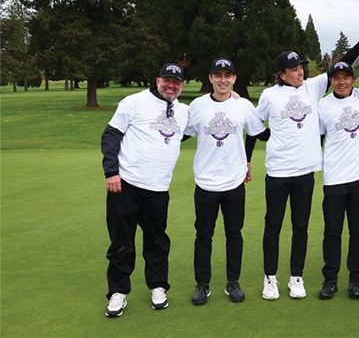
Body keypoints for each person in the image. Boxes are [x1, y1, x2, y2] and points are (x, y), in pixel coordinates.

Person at [101, 63, 189, 317]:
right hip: (125, 185)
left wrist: (234, 97)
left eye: (177, 82)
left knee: (157, 241)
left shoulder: (183, 112)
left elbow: (175, 137)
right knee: (121, 242)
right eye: (167, 80)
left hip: (159, 187)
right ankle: (118, 292)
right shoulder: (133, 102)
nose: (171, 85)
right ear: (157, 80)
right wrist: (111, 171)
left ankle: (158, 286)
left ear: (182, 85)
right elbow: (111, 135)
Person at [184, 58, 266, 305]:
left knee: (234, 234)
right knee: (203, 236)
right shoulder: (197, 106)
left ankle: (233, 282)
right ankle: (203, 284)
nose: (223, 80)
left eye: (227, 75)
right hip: (206, 183)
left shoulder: (243, 106)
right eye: (217, 75)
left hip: (234, 183)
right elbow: (181, 135)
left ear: (234, 79)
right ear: (210, 78)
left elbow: (259, 133)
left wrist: (248, 161)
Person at [254, 50, 328, 300]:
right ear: (282, 74)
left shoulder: (312, 87)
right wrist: (266, 140)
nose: (300, 72)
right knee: (273, 225)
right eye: (295, 69)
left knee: (301, 226)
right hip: (278, 172)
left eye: (301, 68)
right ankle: (270, 278)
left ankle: (296, 276)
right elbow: (255, 126)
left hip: (305, 172)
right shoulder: (269, 95)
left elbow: (345, 62)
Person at [316, 30, 359, 299]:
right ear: (331, 81)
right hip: (334, 179)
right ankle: (330, 279)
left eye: (346, 77)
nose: (341, 82)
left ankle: (356, 278)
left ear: (353, 79)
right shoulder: (322, 105)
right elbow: (314, 139)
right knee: (333, 232)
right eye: (336, 78)